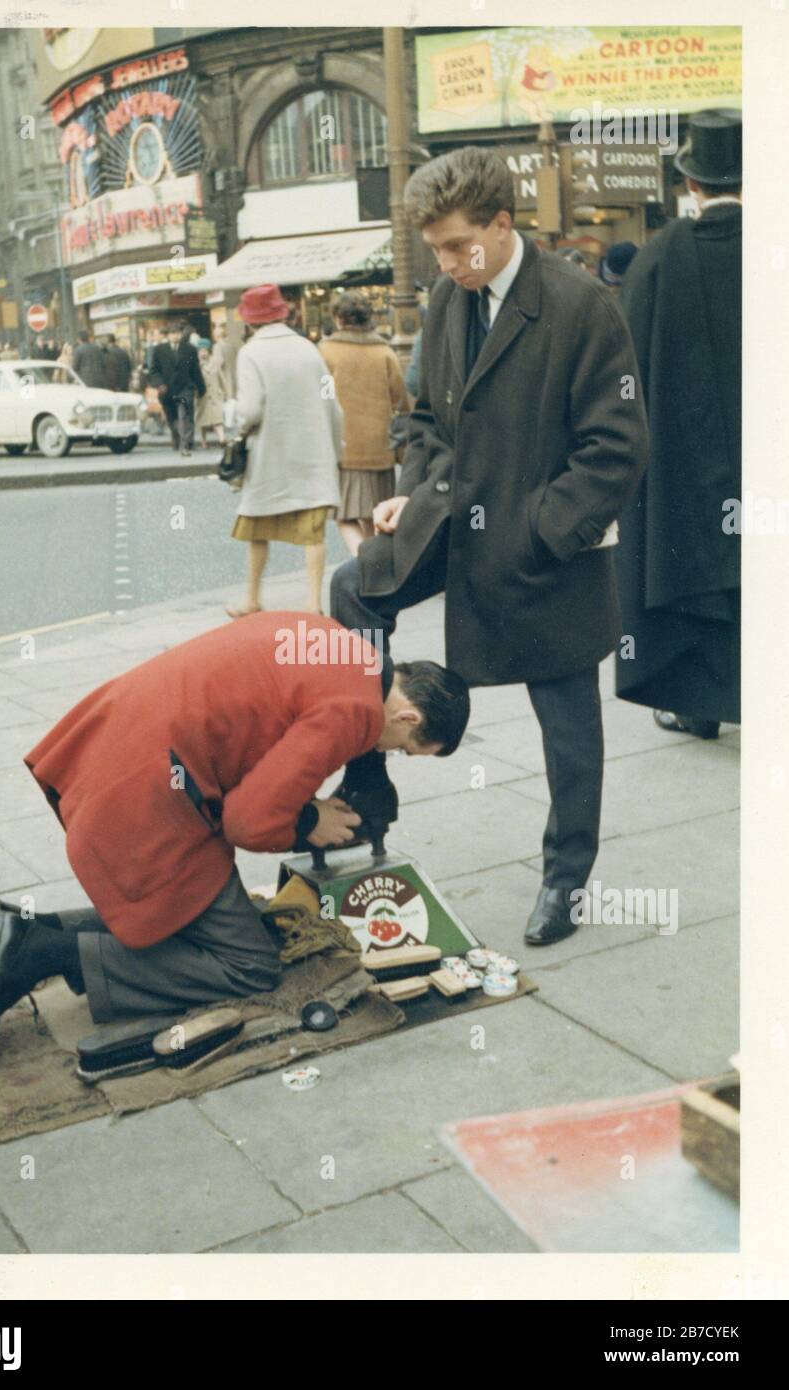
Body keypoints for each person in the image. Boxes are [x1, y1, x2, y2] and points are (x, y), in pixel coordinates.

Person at [330, 145, 649, 948]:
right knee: (353, 590)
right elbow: (425, 420)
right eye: (433, 249)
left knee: (566, 720)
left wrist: (545, 530)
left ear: (502, 227)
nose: (442, 265)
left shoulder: (579, 306)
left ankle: (565, 880)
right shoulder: (448, 298)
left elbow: (616, 448)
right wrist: (414, 482)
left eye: (453, 247)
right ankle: (368, 777)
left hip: (538, 547)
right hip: (448, 518)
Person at [0, 612, 470, 1062]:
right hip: (153, 793)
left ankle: (14, 928)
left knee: (204, 918)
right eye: (403, 746)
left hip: (121, 739)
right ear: (408, 715)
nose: (389, 750)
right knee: (249, 964)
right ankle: (40, 952)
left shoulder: (342, 645)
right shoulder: (355, 711)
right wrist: (310, 822)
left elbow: (256, 723)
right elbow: (247, 821)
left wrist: (302, 800)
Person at [614, 109, 741, 741]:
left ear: (692, 185)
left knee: (697, 574)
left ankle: (701, 703)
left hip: (688, 462)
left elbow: (626, 368)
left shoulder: (658, 259)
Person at [229, 284, 343, 619]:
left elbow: (250, 411)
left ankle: (251, 598)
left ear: (251, 321)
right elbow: (331, 403)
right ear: (282, 313)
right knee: (313, 532)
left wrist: (235, 420)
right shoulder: (309, 349)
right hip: (311, 454)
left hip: (269, 455)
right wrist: (335, 448)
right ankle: (313, 602)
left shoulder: (250, 353)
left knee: (257, 528)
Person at [319, 292, 408, 556]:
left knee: (343, 516)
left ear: (338, 319)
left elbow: (323, 398)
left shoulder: (327, 353)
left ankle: (366, 563)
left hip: (344, 447)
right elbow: (401, 400)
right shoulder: (384, 352)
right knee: (375, 517)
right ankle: (377, 563)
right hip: (380, 448)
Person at [148, 321, 206, 455]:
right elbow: (154, 371)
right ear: (168, 335)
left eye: (178, 333)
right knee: (172, 417)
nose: (176, 336)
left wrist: (201, 387)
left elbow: (195, 370)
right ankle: (178, 438)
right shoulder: (159, 350)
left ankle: (185, 444)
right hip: (167, 389)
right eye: (173, 333)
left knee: (185, 415)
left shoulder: (189, 349)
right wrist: (159, 384)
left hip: (185, 387)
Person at [195, 339, 227, 448]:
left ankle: (222, 439)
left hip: (214, 394)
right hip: (202, 396)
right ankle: (204, 441)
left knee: (218, 418)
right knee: (202, 420)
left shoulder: (215, 362)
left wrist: (226, 392)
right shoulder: (195, 364)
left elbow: (222, 378)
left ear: (209, 351)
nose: (203, 353)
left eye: (205, 350)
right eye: (201, 351)